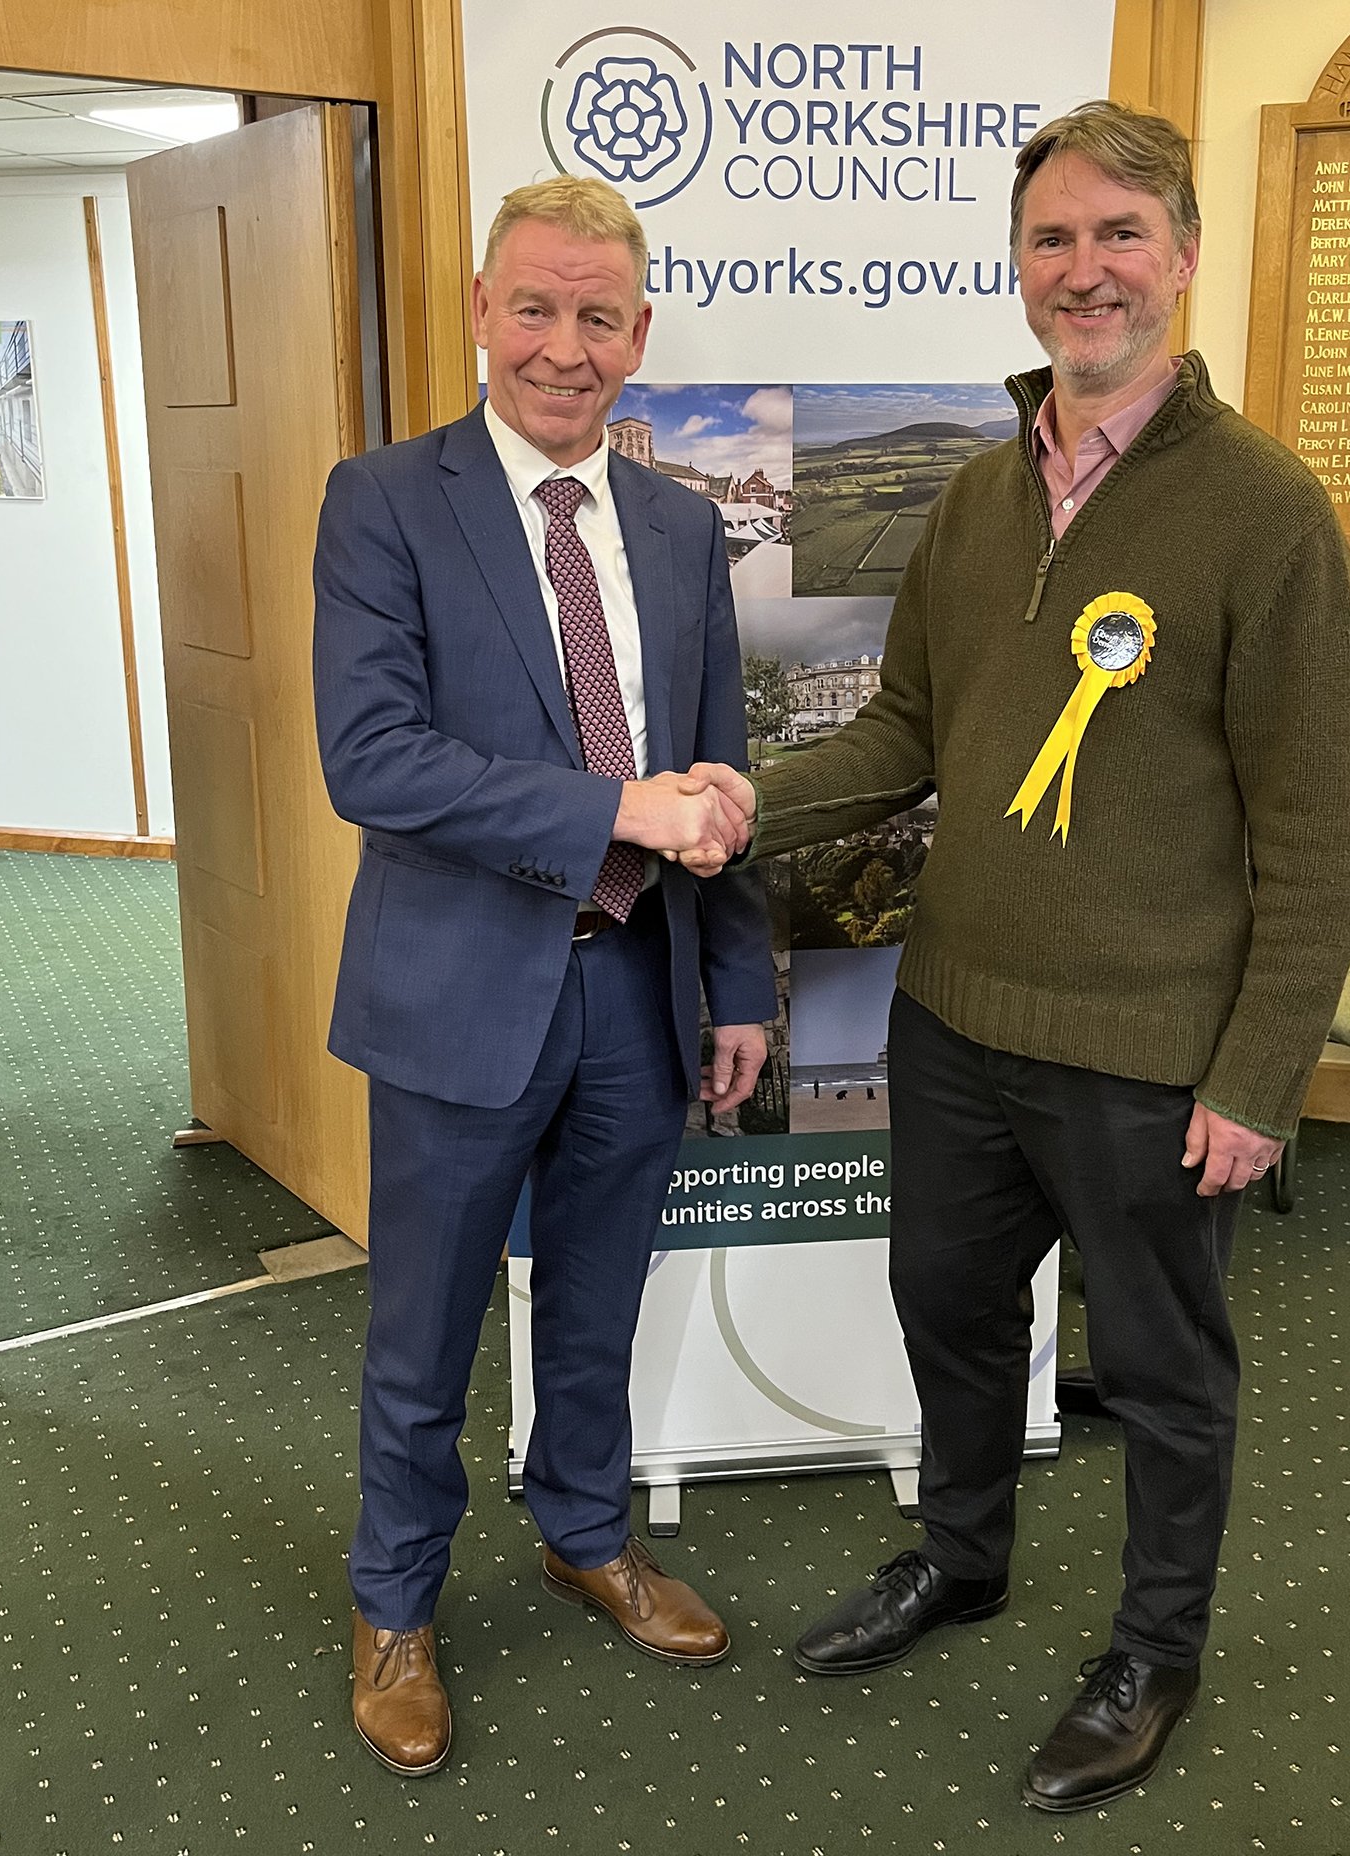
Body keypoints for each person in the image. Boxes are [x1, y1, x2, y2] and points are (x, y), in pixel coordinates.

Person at [693, 100, 1350, 1813]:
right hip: (955, 1023)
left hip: (1151, 1048)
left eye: (1120, 234)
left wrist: (1258, 1078)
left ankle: (1155, 1648)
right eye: (1053, 239)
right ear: (1019, 266)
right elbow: (905, 738)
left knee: (1161, 1368)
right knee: (948, 1306)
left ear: (1184, 256)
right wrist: (735, 803)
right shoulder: (977, 498)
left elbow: (1322, 831)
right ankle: (963, 1553)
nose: (1087, 270)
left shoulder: (1267, 513)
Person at [312, 175, 774, 1777]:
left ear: (638, 335)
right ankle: (394, 1602)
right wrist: (615, 811)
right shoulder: (385, 500)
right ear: (480, 312)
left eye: (597, 316)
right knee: (424, 1333)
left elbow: (716, 768)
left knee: (596, 1303)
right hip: (460, 994)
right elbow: (373, 761)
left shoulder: (681, 525)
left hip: (638, 991)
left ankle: (586, 1531)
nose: (562, 348)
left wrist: (739, 982)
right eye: (534, 308)